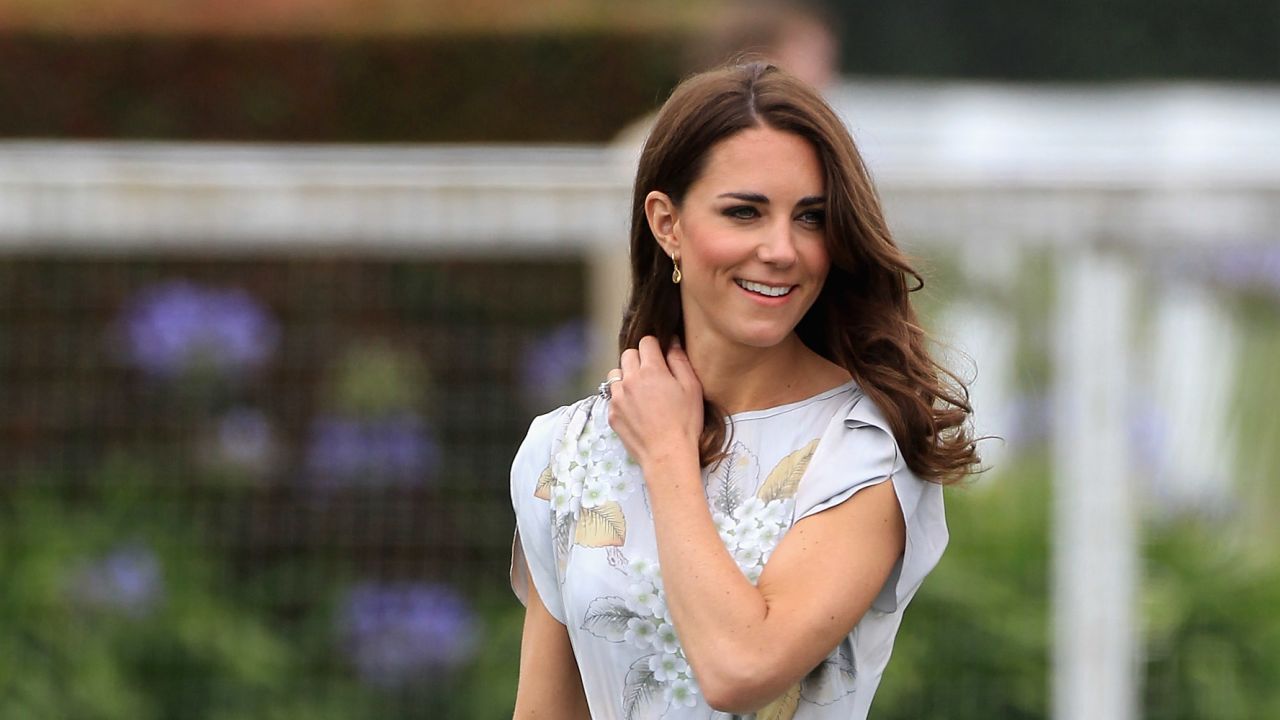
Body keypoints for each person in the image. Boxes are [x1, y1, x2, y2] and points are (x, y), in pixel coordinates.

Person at [511, 62, 978, 719]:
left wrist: (669, 455)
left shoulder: (860, 449)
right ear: (666, 223)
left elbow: (741, 668)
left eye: (811, 218)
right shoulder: (563, 450)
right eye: (744, 212)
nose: (782, 249)